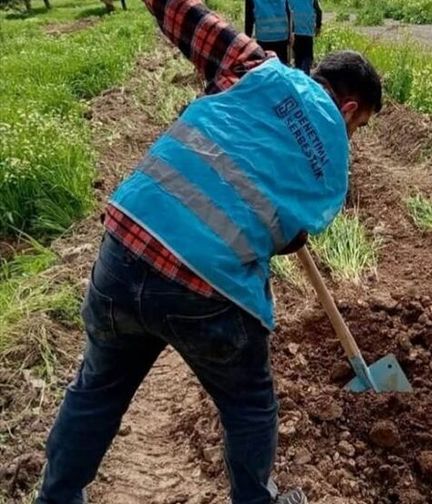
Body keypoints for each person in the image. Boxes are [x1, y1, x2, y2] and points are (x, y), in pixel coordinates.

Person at [36, 0, 382, 502]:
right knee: (249, 406)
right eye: (360, 126)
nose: (352, 136)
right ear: (349, 109)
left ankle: (57, 497)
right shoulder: (334, 172)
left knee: (97, 390)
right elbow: (289, 239)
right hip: (207, 290)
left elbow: (176, 8)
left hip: (127, 244)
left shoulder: (255, 66)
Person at [245, 0, 291, 64]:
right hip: (281, 36)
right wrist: (289, 35)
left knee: (266, 68)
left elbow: (249, 19)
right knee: (281, 68)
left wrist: (247, 41)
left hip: (264, 38)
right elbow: (288, 12)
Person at [286, 0, 322, 74]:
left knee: (298, 57)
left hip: (297, 32)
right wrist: (318, 27)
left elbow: (288, 12)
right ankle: (306, 73)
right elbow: (319, 11)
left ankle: (300, 74)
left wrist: (289, 31)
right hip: (308, 32)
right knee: (307, 56)